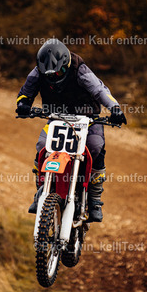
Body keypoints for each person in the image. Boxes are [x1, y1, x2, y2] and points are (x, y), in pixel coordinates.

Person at [16, 38, 127, 222]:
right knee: (43, 146)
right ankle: (41, 189)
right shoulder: (38, 72)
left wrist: (115, 108)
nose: (54, 76)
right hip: (57, 118)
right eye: (50, 74)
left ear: (67, 64)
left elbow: (100, 90)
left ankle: (94, 199)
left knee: (95, 146)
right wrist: (23, 105)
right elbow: (25, 93)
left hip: (88, 118)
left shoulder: (80, 70)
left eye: (58, 72)